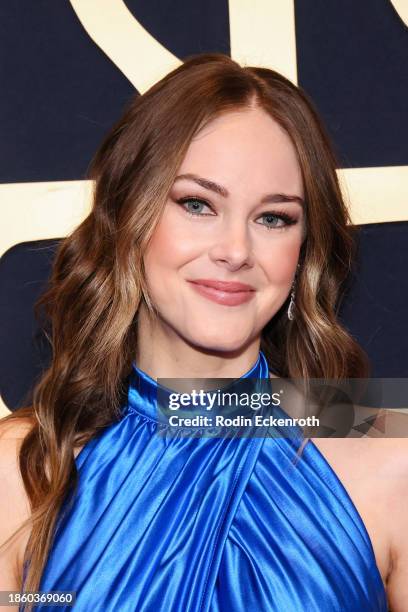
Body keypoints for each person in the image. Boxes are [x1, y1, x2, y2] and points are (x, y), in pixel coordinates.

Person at [0, 53, 406, 612]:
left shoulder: (388, 442)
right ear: (128, 218)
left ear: (304, 251)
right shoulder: (22, 467)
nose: (236, 252)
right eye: (197, 204)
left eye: (274, 218)